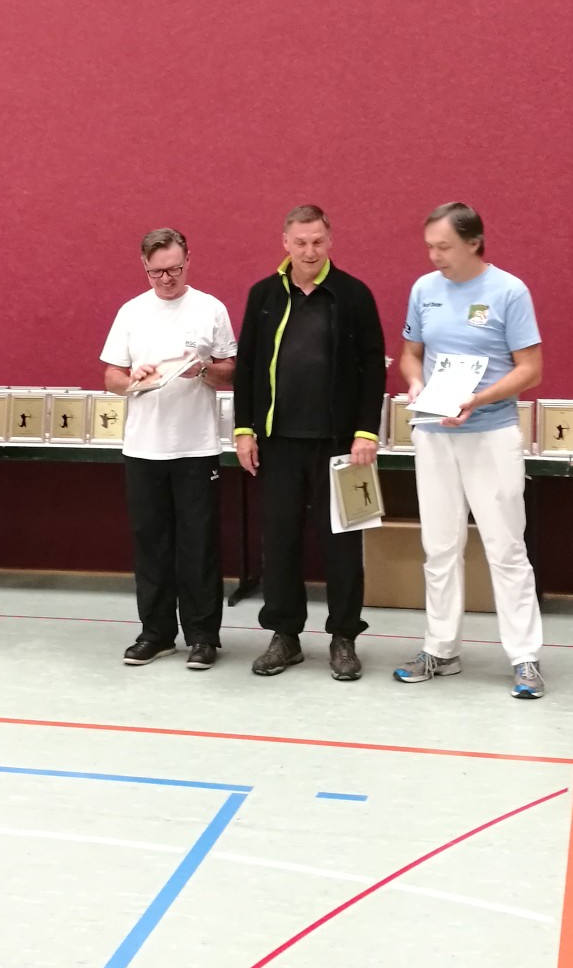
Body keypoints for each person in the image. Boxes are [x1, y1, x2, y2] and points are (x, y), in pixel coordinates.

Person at [393, 202, 547, 698]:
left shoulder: (509, 291)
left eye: (443, 247)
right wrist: (416, 384)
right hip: (434, 435)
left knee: (506, 548)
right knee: (439, 547)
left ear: (474, 243)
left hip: (491, 435)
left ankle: (524, 658)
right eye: (429, 247)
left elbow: (531, 369)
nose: (434, 256)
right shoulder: (424, 290)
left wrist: (478, 399)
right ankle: (441, 649)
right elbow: (410, 354)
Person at [232, 205, 387, 681]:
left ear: (330, 241)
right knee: (279, 542)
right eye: (300, 242)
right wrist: (244, 430)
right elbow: (247, 368)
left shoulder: (354, 294)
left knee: (343, 546)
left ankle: (344, 638)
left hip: (342, 446)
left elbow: (373, 366)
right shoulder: (263, 295)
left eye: (317, 241)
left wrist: (366, 432)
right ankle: (285, 637)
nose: (309, 251)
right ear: (285, 242)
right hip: (278, 444)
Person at [100, 229, 238, 668]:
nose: (166, 279)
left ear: (188, 260)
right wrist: (132, 380)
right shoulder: (131, 312)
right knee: (151, 544)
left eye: (174, 269)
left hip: (196, 447)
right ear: (144, 267)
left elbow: (231, 370)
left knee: (199, 544)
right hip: (144, 448)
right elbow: (111, 376)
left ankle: (203, 636)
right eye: (156, 272)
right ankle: (156, 633)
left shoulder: (210, 308)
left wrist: (205, 370)